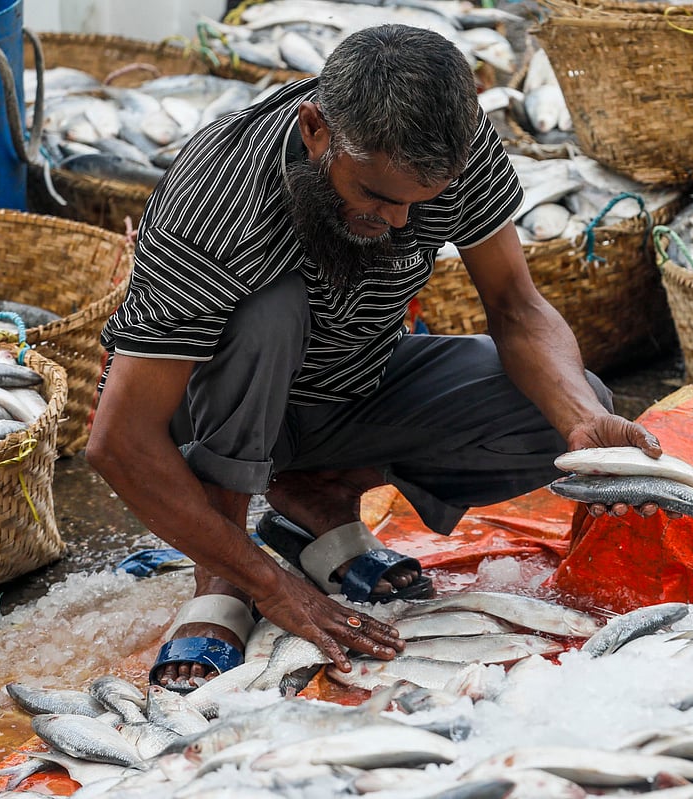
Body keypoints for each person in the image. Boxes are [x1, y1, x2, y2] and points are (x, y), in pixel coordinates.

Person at [87, 24, 663, 693]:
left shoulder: (455, 147)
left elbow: (516, 304)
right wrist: (274, 587)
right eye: (376, 196)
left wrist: (579, 417)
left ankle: (317, 491)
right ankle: (223, 575)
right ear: (314, 130)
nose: (396, 222)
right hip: (206, 406)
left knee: (567, 401)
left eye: (417, 205)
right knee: (267, 310)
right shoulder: (217, 203)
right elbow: (118, 442)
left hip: (347, 386)